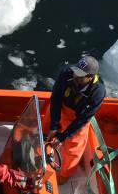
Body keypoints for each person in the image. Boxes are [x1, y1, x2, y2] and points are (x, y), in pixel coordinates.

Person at [45, 55, 106, 183]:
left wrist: (62, 137)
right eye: (75, 73)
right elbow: (55, 98)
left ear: (90, 77)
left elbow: (83, 119)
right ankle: (44, 141)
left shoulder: (98, 92)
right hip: (61, 108)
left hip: (78, 117)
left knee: (74, 146)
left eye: (80, 76)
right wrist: (54, 126)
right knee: (47, 125)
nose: (75, 77)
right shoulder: (66, 73)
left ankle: (65, 174)